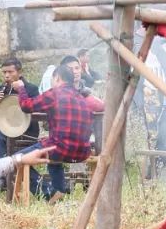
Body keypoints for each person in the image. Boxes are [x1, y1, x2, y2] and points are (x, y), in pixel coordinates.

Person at [19, 66, 104, 199]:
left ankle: (48, 191)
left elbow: (26, 106)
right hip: (82, 151)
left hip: (61, 149)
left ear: (57, 78)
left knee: (17, 159)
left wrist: (21, 88)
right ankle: (59, 193)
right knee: (54, 157)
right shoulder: (82, 98)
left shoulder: (55, 93)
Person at [0, 60, 42, 198]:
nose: (7, 75)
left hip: (24, 133)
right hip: (3, 133)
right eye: (4, 72)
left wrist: (21, 92)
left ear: (19, 72)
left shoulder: (31, 89)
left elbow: (38, 109)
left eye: (10, 72)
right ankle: (0, 177)